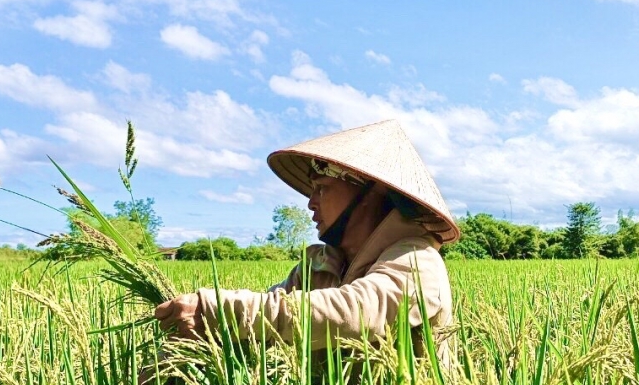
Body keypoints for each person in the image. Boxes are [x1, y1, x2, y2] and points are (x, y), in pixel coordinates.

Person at [153, 119, 459, 367]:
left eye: (322, 188)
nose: (311, 203)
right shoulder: (318, 267)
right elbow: (271, 311)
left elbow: (357, 312)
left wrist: (219, 310)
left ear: (372, 192)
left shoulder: (418, 261)